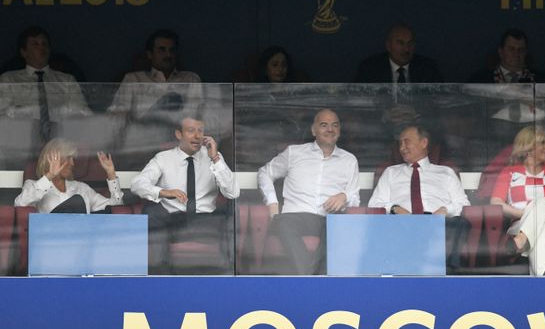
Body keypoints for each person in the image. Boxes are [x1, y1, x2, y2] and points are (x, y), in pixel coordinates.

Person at [130, 115, 240, 271]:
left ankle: (229, 271)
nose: (197, 136)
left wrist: (215, 158)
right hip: (173, 220)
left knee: (234, 209)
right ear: (178, 134)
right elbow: (137, 184)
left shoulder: (214, 157)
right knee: (151, 211)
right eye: (191, 131)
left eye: (200, 131)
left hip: (205, 220)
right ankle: (161, 272)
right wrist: (164, 192)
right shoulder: (163, 158)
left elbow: (233, 192)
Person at [257, 109, 359, 274]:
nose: (330, 129)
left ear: (339, 130)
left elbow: (355, 199)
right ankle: (314, 278)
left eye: (335, 125)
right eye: (324, 125)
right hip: (294, 217)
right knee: (281, 222)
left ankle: (308, 279)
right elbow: (264, 173)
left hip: (327, 219)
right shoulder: (294, 153)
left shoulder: (349, 160)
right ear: (313, 130)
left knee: (338, 225)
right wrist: (272, 201)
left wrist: (344, 196)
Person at [369, 125, 470, 270]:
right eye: (400, 144)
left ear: (423, 143)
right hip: (402, 224)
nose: (402, 148)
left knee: (460, 223)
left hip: (438, 225)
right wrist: (395, 209)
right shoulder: (391, 173)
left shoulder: (446, 172)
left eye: (406, 142)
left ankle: (450, 276)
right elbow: (375, 204)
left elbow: (463, 204)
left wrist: (444, 210)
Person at [490, 126, 545, 276]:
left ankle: (522, 239)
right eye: (543, 143)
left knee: (543, 203)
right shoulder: (510, 172)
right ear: (528, 148)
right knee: (543, 228)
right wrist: (526, 212)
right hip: (520, 224)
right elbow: (496, 202)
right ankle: (544, 280)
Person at [0, 26, 90, 141]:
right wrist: (24, 113)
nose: (41, 47)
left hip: (60, 141)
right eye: (35, 44)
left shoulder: (66, 80)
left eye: (44, 44)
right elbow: (2, 114)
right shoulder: (9, 80)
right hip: (20, 141)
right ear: (23, 52)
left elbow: (82, 112)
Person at [15, 138, 123, 214]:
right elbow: (20, 205)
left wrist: (111, 174)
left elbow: (115, 209)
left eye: (73, 159)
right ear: (51, 159)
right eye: (67, 158)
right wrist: (49, 175)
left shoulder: (81, 188)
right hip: (50, 243)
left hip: (81, 243)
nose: (72, 163)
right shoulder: (34, 185)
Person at [354, 23, 443, 83]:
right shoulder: (369, 68)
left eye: (410, 43)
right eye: (400, 43)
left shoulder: (428, 68)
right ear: (388, 45)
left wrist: (415, 110)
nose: (406, 49)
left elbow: (437, 102)